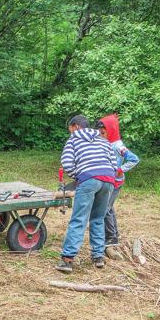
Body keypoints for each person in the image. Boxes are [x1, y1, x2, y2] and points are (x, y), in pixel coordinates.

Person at [56, 115, 117, 273]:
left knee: (79, 219)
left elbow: (67, 162)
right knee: (98, 218)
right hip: (108, 180)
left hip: (89, 179)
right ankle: (98, 257)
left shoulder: (74, 140)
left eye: (70, 129)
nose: (70, 132)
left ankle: (67, 260)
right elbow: (114, 162)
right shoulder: (103, 140)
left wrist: (79, 176)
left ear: (75, 127)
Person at [96, 114, 140, 258]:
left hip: (115, 182)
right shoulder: (108, 142)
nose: (101, 135)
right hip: (109, 181)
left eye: (103, 132)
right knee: (109, 208)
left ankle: (110, 240)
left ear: (111, 130)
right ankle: (113, 234)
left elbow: (134, 159)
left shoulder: (118, 146)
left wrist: (120, 169)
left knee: (105, 209)